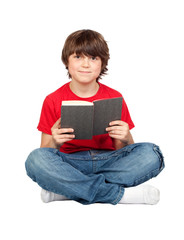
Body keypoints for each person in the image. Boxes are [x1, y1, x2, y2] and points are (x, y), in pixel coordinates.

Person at [25, 29, 164, 205]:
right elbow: (44, 151)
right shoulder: (52, 99)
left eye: (93, 58)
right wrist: (55, 141)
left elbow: (124, 151)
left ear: (102, 63)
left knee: (152, 154)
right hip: (71, 163)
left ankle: (69, 190)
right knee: (35, 160)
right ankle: (120, 195)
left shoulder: (115, 97)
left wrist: (126, 137)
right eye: (78, 57)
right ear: (66, 61)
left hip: (109, 162)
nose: (86, 64)